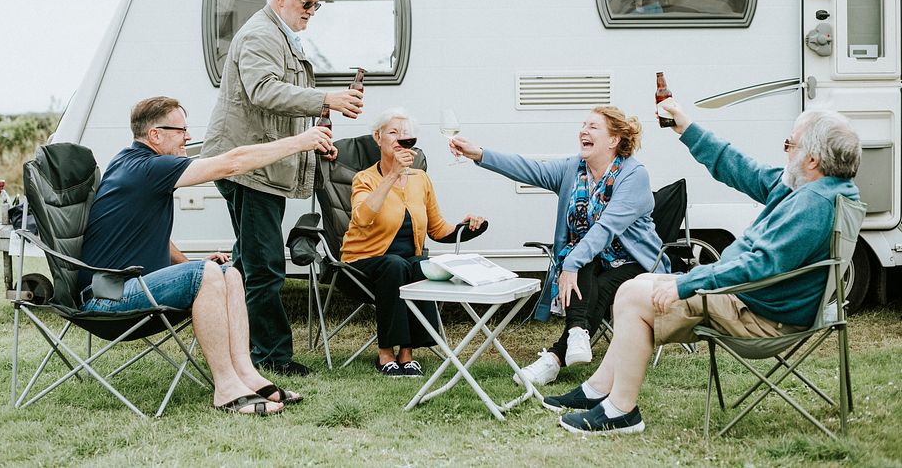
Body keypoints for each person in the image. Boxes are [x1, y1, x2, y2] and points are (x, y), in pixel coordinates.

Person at [543, 100, 861, 435]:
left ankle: (622, 410)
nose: (785, 151)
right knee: (635, 287)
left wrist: (686, 284)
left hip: (760, 315)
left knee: (635, 295)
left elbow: (759, 265)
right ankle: (598, 390)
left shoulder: (813, 204)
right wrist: (686, 127)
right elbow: (741, 169)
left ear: (812, 159)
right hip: (753, 299)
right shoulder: (812, 187)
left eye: (789, 144)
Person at [79, 96, 333, 415]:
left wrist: (188, 268)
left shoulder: (129, 162)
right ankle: (225, 387)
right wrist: (300, 142)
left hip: (129, 288)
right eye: (181, 130)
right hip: (107, 299)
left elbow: (150, 233)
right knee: (208, 273)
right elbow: (232, 163)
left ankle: (247, 375)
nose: (188, 136)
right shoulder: (148, 167)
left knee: (231, 272)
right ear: (155, 134)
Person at [202, 0, 364, 377]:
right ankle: (270, 357)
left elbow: (279, 113)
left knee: (248, 262)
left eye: (316, 6)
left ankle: (236, 342)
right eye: (307, 3)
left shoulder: (279, 35)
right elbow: (264, 91)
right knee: (266, 265)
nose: (311, 11)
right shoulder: (260, 34)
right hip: (247, 167)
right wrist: (327, 100)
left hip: (257, 164)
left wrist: (313, 148)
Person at [449, 106, 669, 387]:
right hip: (592, 260)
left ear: (613, 140)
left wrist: (571, 264)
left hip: (637, 264)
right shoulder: (573, 169)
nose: (583, 131)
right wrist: (477, 153)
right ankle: (577, 334)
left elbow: (606, 227)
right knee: (585, 264)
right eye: (583, 125)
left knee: (585, 267)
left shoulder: (634, 175)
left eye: (593, 127)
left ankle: (554, 358)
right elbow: (529, 169)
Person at [340, 108, 486, 376]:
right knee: (396, 265)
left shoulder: (421, 179)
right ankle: (385, 353)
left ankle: (407, 354)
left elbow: (438, 230)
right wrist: (392, 176)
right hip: (360, 265)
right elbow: (362, 218)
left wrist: (468, 228)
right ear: (378, 138)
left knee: (422, 265)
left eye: (406, 134)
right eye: (393, 132)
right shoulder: (365, 179)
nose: (400, 138)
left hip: (403, 265)